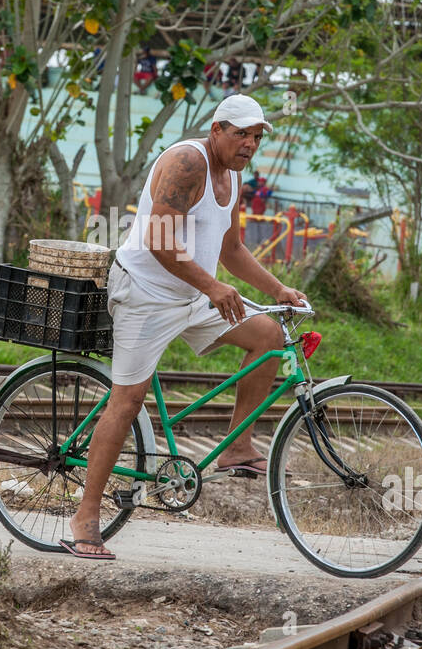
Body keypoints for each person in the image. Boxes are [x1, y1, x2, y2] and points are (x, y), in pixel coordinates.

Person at [63, 94, 306, 559]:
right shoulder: (186, 162)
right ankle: (86, 517)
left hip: (193, 292)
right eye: (241, 134)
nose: (250, 144)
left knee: (269, 337)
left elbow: (232, 248)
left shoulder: (231, 176)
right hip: (146, 294)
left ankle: (237, 446)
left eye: (257, 137)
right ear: (217, 129)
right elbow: (156, 238)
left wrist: (277, 289)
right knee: (128, 399)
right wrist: (214, 288)